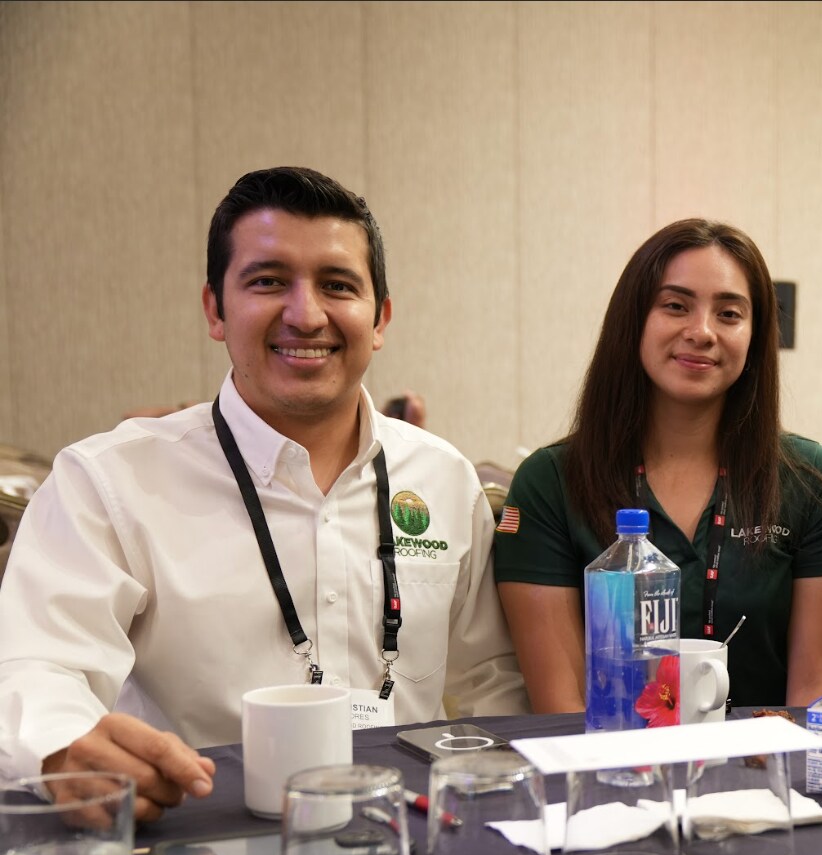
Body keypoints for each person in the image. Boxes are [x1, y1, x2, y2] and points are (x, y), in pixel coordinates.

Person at [0, 167, 528, 821]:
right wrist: (61, 746)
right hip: (194, 837)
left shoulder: (442, 478)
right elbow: (36, 663)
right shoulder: (110, 481)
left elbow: (491, 683)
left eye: (338, 286)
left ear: (381, 317)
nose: (306, 316)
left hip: (408, 832)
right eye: (268, 281)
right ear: (215, 309)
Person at [493, 219, 822, 711]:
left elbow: (813, 693)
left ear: (755, 337)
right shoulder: (551, 483)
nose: (702, 332)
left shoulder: (813, 481)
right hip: (611, 774)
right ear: (633, 320)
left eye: (729, 314)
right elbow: (563, 707)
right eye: (675, 306)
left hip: (763, 775)